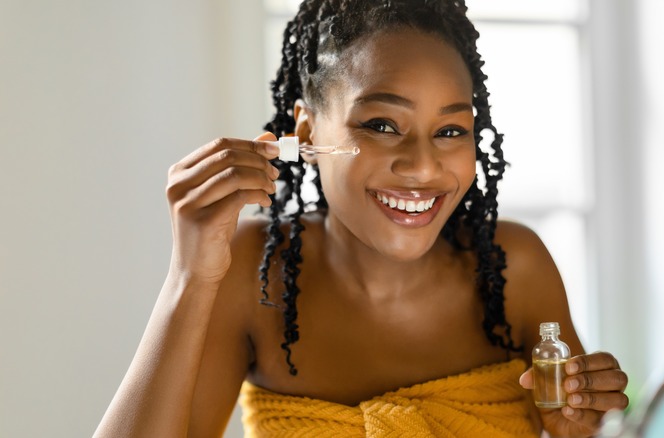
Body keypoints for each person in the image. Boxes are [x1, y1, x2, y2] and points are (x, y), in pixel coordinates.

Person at [94, 0, 629, 437]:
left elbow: (582, 425)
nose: (422, 166)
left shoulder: (517, 269)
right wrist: (190, 276)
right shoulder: (254, 273)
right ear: (305, 133)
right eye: (381, 124)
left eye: (449, 131)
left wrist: (578, 426)